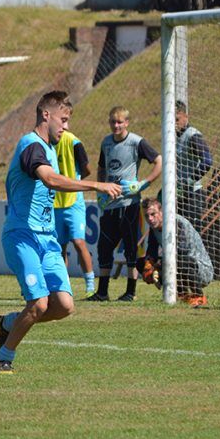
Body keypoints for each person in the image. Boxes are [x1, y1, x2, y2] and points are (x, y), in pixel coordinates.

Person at [0, 91, 121, 374]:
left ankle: (7, 324)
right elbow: (50, 180)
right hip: (23, 235)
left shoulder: (49, 150)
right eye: (63, 119)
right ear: (46, 115)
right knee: (38, 303)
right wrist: (97, 186)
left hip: (47, 239)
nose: (66, 126)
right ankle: (4, 357)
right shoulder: (31, 144)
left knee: (63, 306)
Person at [87, 106, 162, 302]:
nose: (116, 125)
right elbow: (101, 167)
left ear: (127, 123)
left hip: (129, 204)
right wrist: (101, 189)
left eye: (120, 122)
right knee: (104, 247)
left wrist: (143, 183)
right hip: (109, 205)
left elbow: (159, 161)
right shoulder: (106, 142)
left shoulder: (136, 142)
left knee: (131, 248)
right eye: (113, 122)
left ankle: (130, 292)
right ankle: (102, 292)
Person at [141, 198, 213, 307]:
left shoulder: (177, 223)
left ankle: (198, 296)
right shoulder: (154, 228)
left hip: (201, 269)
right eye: (147, 216)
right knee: (140, 263)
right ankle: (181, 295)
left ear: (161, 212)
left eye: (153, 214)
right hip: (180, 264)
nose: (150, 219)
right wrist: (148, 266)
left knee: (178, 260)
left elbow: (182, 251)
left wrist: (158, 266)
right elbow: (151, 252)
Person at [54, 105, 95, 296]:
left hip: (73, 201)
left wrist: (74, 180)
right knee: (58, 247)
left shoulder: (74, 142)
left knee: (79, 242)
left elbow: (87, 169)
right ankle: (64, 286)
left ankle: (90, 286)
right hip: (54, 202)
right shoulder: (45, 142)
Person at [175, 100, 212, 234]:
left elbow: (207, 161)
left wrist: (189, 181)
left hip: (192, 196)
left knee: (190, 238)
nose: (174, 124)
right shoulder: (171, 137)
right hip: (178, 195)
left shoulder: (193, 135)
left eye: (177, 119)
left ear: (186, 116)